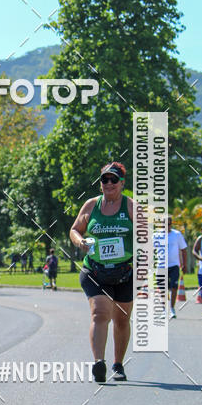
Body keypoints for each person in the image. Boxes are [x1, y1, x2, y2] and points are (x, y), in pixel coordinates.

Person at [70, 161, 134, 383]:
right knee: (99, 313)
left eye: (113, 180)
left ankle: (118, 364)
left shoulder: (131, 207)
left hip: (124, 272)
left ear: (122, 183)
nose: (108, 183)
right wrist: (80, 242)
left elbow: (145, 236)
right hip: (95, 270)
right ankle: (99, 363)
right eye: (104, 180)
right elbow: (75, 229)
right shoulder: (91, 205)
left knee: (122, 320)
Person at [166, 216, 187, 318]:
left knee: (174, 287)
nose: (167, 226)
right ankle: (162, 309)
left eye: (169, 224)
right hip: (161, 266)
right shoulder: (156, 235)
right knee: (162, 289)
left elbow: (183, 249)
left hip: (174, 265)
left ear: (171, 224)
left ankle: (172, 308)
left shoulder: (177, 235)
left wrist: (184, 264)